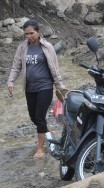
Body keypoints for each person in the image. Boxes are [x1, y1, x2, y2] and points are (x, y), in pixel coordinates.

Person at [7, 20, 66, 159]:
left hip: (44, 87)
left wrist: (61, 87)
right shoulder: (22, 47)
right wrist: (10, 81)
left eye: (31, 33)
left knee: (39, 117)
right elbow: (16, 66)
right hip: (29, 87)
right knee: (33, 117)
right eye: (26, 34)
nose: (29, 36)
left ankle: (41, 149)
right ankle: (47, 130)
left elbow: (55, 69)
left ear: (38, 32)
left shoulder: (47, 47)